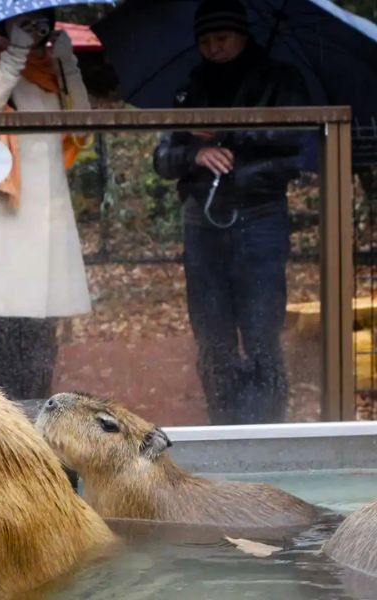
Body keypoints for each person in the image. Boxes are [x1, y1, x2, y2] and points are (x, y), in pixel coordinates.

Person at [153, 0, 309, 424]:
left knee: (261, 332)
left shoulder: (281, 81)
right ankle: (223, 425)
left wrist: (232, 140)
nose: (213, 48)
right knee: (212, 336)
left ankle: (267, 428)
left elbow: (298, 150)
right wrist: (196, 153)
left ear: (242, 35)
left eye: (221, 38)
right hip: (202, 221)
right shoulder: (189, 90)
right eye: (204, 41)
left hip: (260, 217)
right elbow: (163, 158)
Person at [0, 9, 92, 400]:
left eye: (39, 20)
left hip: (49, 206)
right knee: (3, 316)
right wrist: (13, 57)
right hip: (4, 206)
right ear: (6, 21)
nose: (34, 27)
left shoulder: (52, 64)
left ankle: (40, 405)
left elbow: (82, 125)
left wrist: (67, 62)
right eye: (23, 20)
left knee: (43, 319)